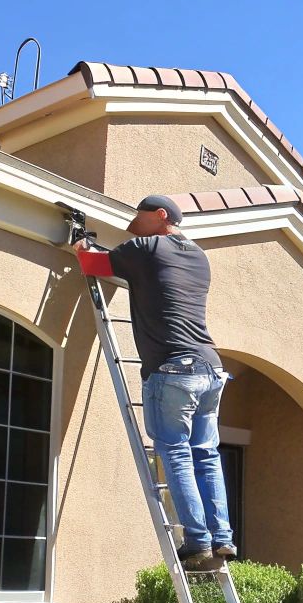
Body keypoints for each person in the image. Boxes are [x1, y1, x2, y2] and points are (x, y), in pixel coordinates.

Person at [74, 195, 235, 572]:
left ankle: (197, 541)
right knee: (206, 456)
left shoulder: (145, 248)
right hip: (211, 370)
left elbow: (89, 263)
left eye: (139, 217)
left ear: (162, 216)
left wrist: (79, 240)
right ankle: (223, 537)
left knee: (176, 454)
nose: (132, 223)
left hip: (174, 370)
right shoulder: (199, 257)